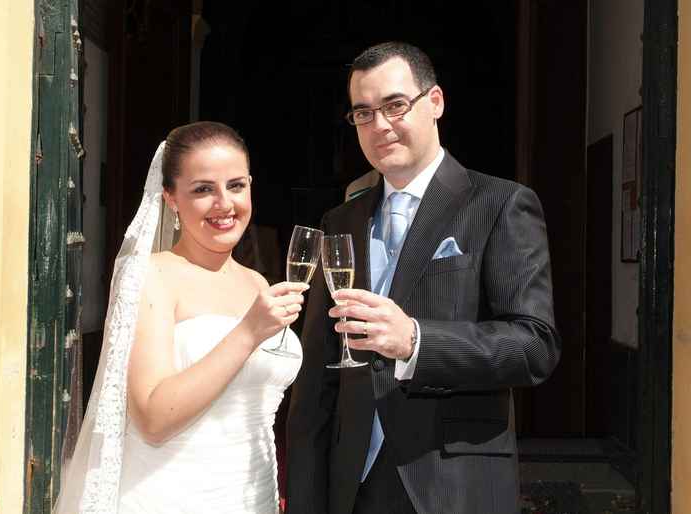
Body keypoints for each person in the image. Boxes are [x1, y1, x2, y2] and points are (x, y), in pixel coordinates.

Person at [285, 41, 561, 514]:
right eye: (363, 113)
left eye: (395, 106)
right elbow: (316, 380)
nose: (380, 126)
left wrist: (415, 341)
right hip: (352, 482)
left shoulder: (500, 204)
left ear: (434, 102)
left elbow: (534, 346)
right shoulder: (340, 221)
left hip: (453, 484)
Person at [53, 121, 308, 514]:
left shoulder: (257, 283)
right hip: (173, 497)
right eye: (203, 189)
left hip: (252, 494)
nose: (225, 203)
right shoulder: (151, 277)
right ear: (171, 197)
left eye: (236, 185)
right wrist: (247, 333)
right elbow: (153, 419)